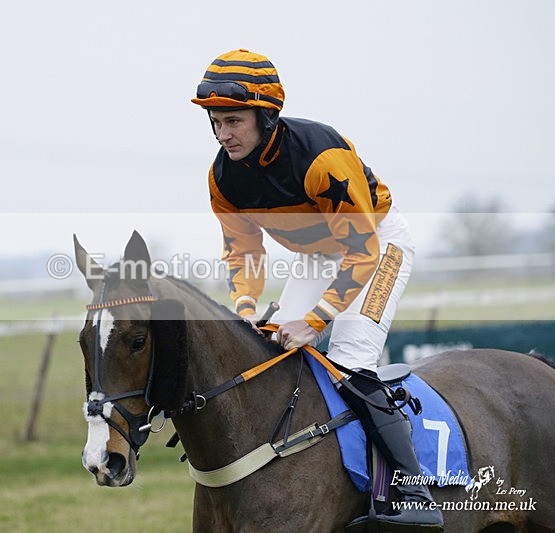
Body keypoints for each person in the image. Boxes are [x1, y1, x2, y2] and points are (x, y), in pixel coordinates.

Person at [191, 49, 443, 530]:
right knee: (270, 350)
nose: (223, 135)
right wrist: (245, 306)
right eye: (216, 122)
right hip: (316, 256)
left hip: (375, 245)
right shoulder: (221, 176)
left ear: (266, 116)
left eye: (234, 121)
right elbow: (242, 251)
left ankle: (412, 490)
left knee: (350, 358)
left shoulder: (322, 157)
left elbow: (362, 250)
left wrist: (314, 321)